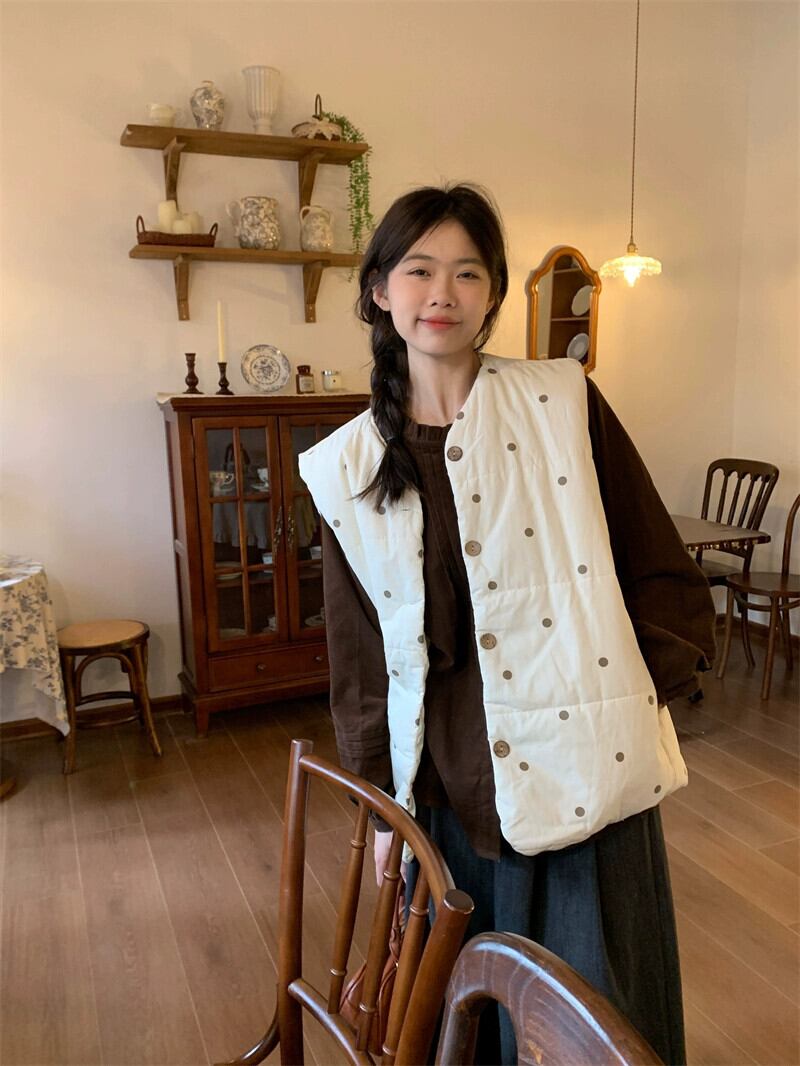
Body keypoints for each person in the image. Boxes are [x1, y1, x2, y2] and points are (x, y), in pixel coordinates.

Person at [298, 184, 715, 1065]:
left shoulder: (562, 402)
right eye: (419, 270)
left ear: (492, 292)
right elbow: (360, 660)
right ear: (380, 289)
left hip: (586, 771)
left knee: (599, 1014)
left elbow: (656, 562)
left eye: (467, 272)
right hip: (446, 789)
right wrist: (381, 811)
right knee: (465, 1023)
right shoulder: (345, 465)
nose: (441, 293)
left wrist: (644, 696)